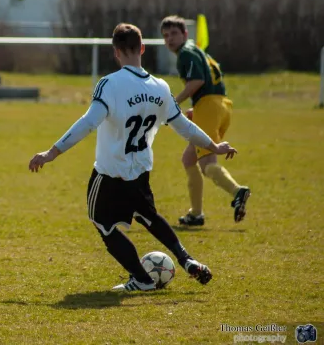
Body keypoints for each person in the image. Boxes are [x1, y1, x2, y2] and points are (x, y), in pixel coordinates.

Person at [28, 23, 238, 291]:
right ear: (142, 48)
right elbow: (185, 127)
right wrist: (214, 146)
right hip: (140, 170)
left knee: (101, 223)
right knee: (147, 215)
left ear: (116, 52)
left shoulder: (110, 84)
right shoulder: (160, 87)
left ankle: (142, 278)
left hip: (109, 172)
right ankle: (185, 259)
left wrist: (52, 152)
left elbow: (88, 123)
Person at [161, 15, 250, 226]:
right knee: (189, 160)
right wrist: (197, 109)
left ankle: (238, 191)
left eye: (174, 33)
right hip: (220, 105)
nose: (169, 39)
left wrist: (173, 103)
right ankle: (196, 214)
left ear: (185, 34)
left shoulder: (185, 53)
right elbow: (208, 83)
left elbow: (197, 81)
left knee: (207, 163)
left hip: (210, 107)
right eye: (165, 35)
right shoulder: (196, 50)